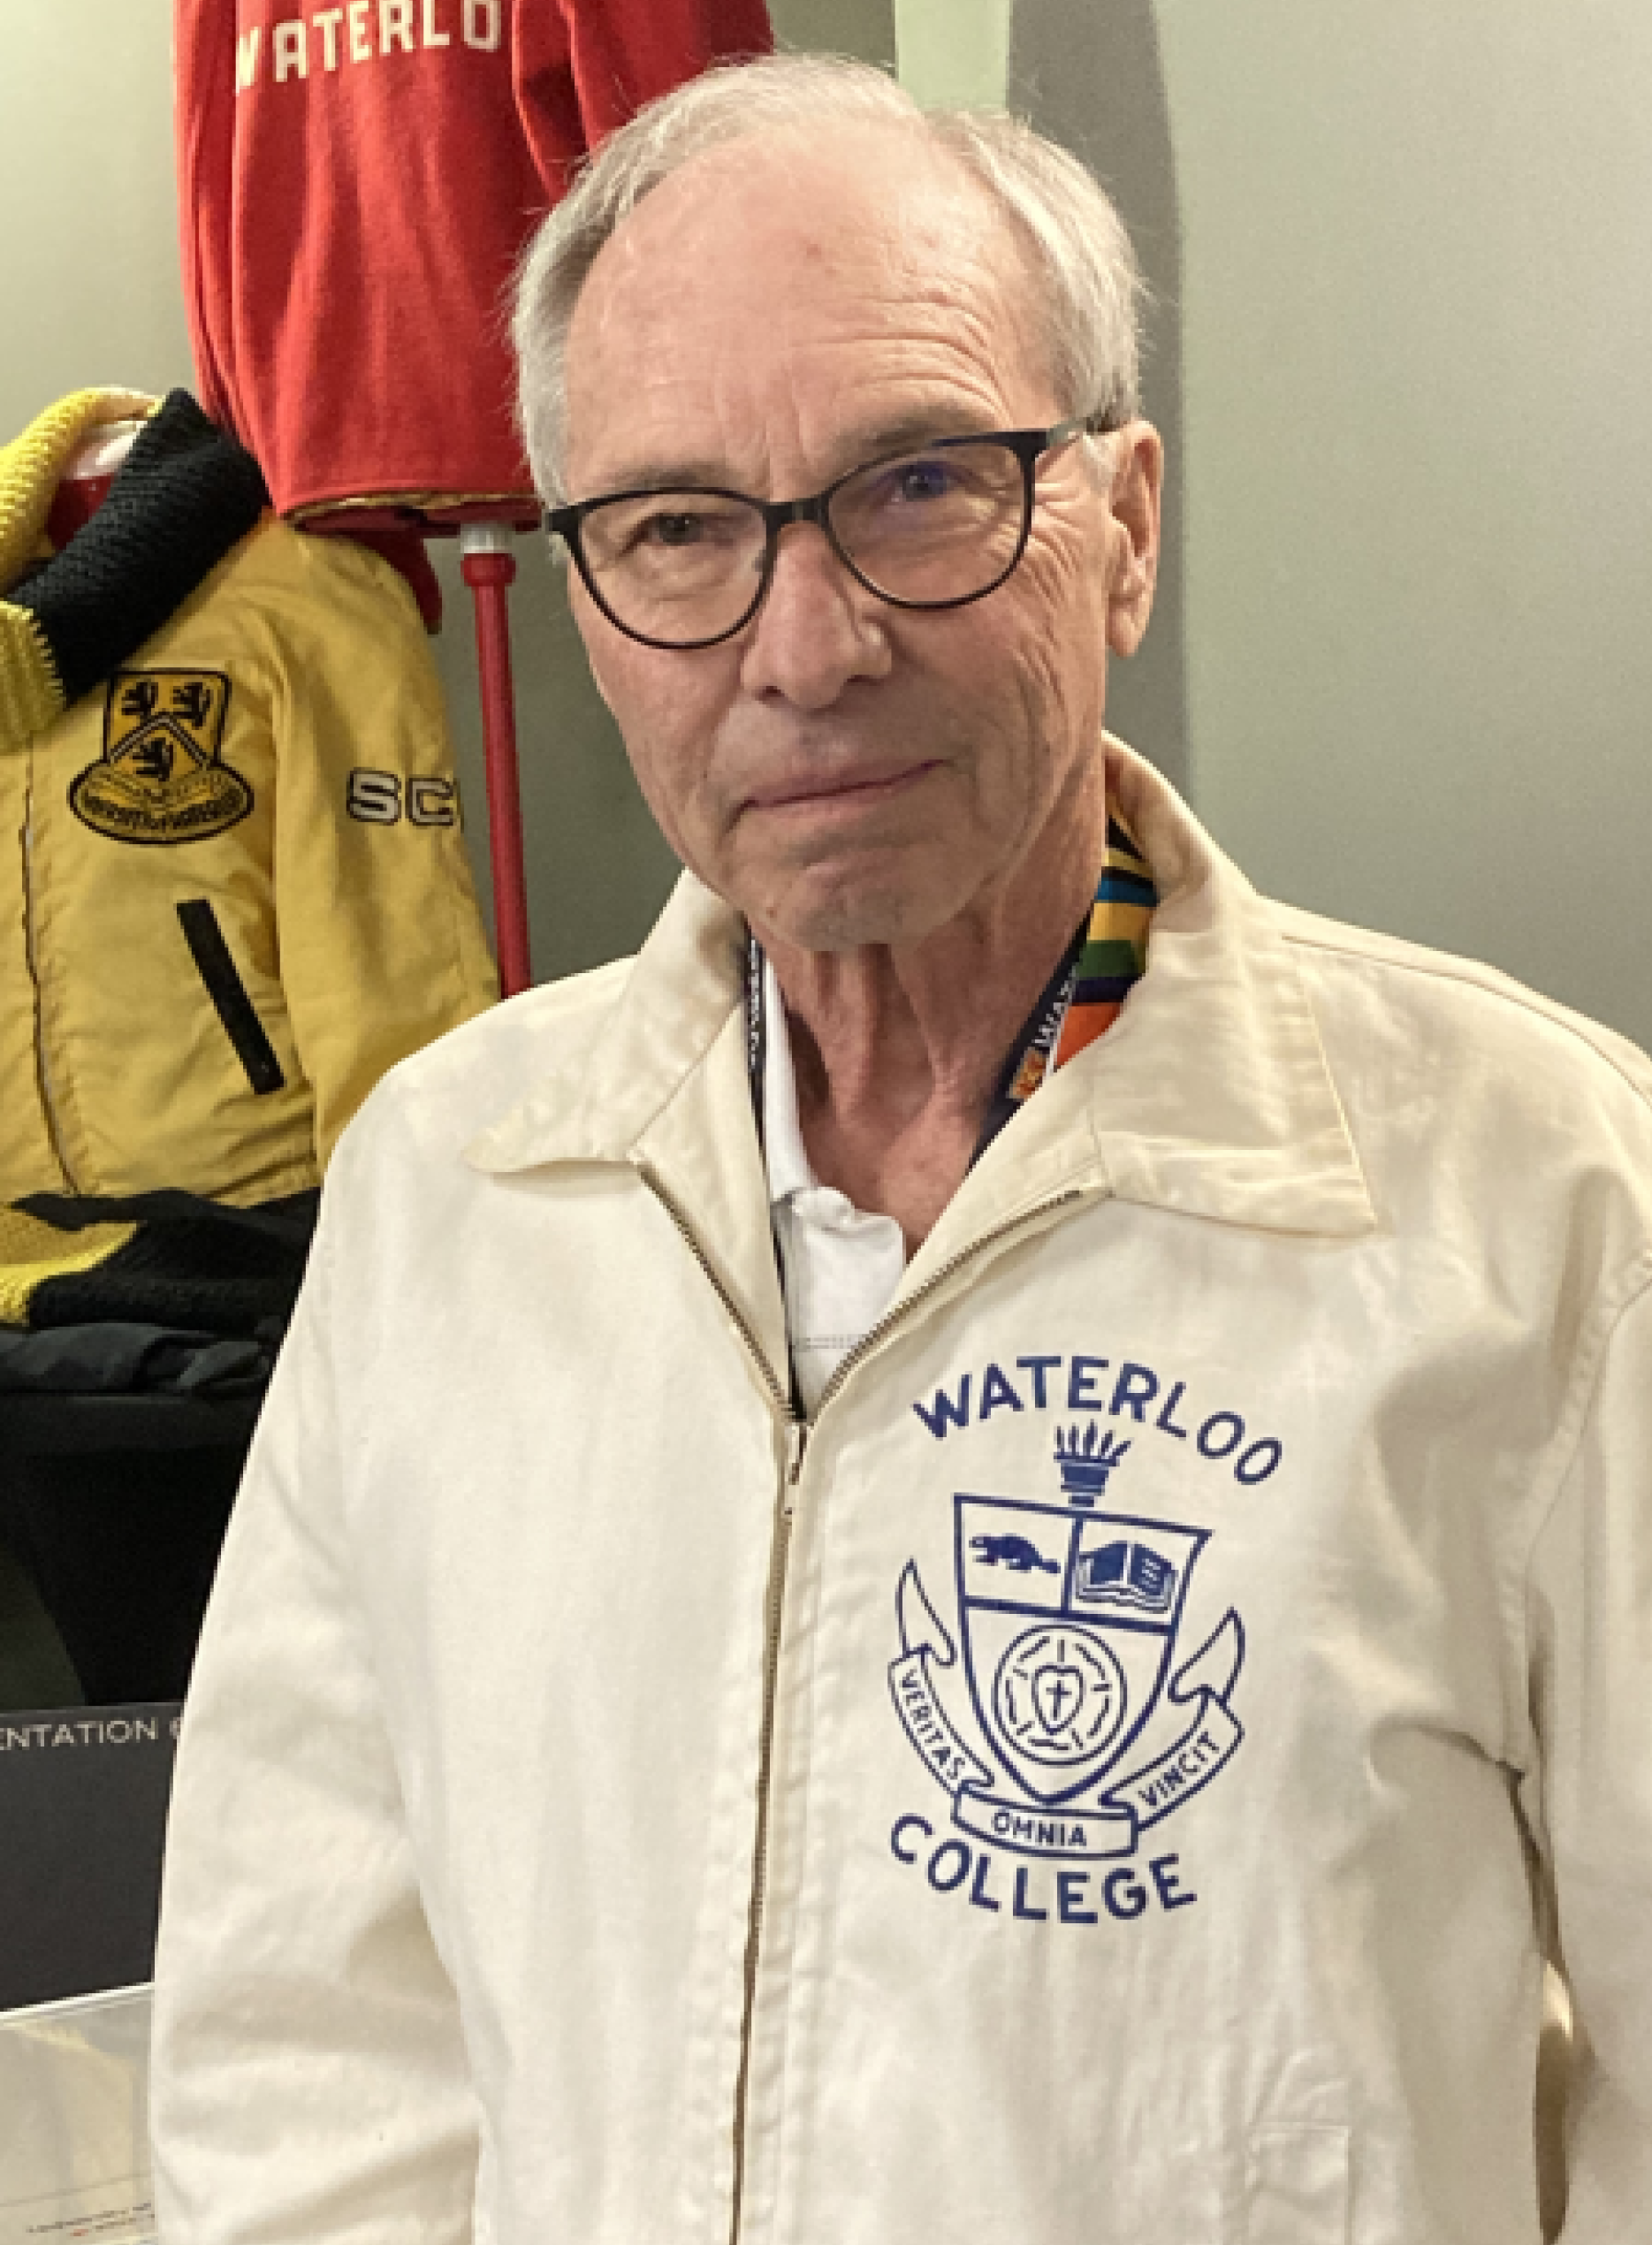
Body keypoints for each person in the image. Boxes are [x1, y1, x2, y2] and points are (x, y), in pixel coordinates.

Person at [150, 53, 1651, 2245]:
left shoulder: (1544, 1206)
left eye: (923, 483)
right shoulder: (450, 1194)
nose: (806, 647)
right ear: (587, 598)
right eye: (675, 528)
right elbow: (311, 2052)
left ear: (1123, 525)